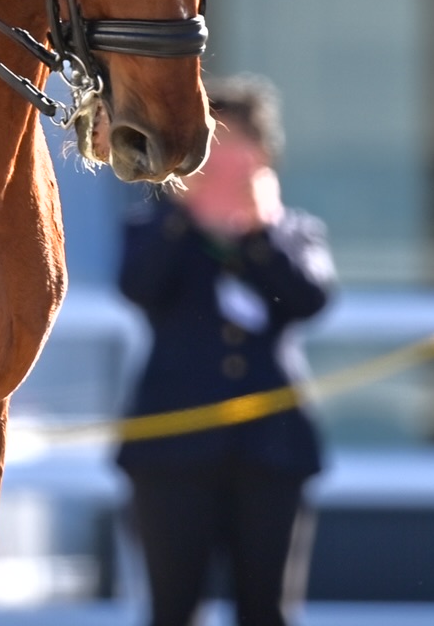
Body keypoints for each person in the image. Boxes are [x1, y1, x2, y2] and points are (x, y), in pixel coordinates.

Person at [116, 76, 333, 626]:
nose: (224, 160)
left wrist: (258, 231)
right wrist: (185, 209)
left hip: (271, 450)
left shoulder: (294, 232)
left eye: (239, 145)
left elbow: (309, 299)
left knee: (268, 609)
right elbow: (139, 286)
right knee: (173, 608)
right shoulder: (159, 227)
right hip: (171, 449)